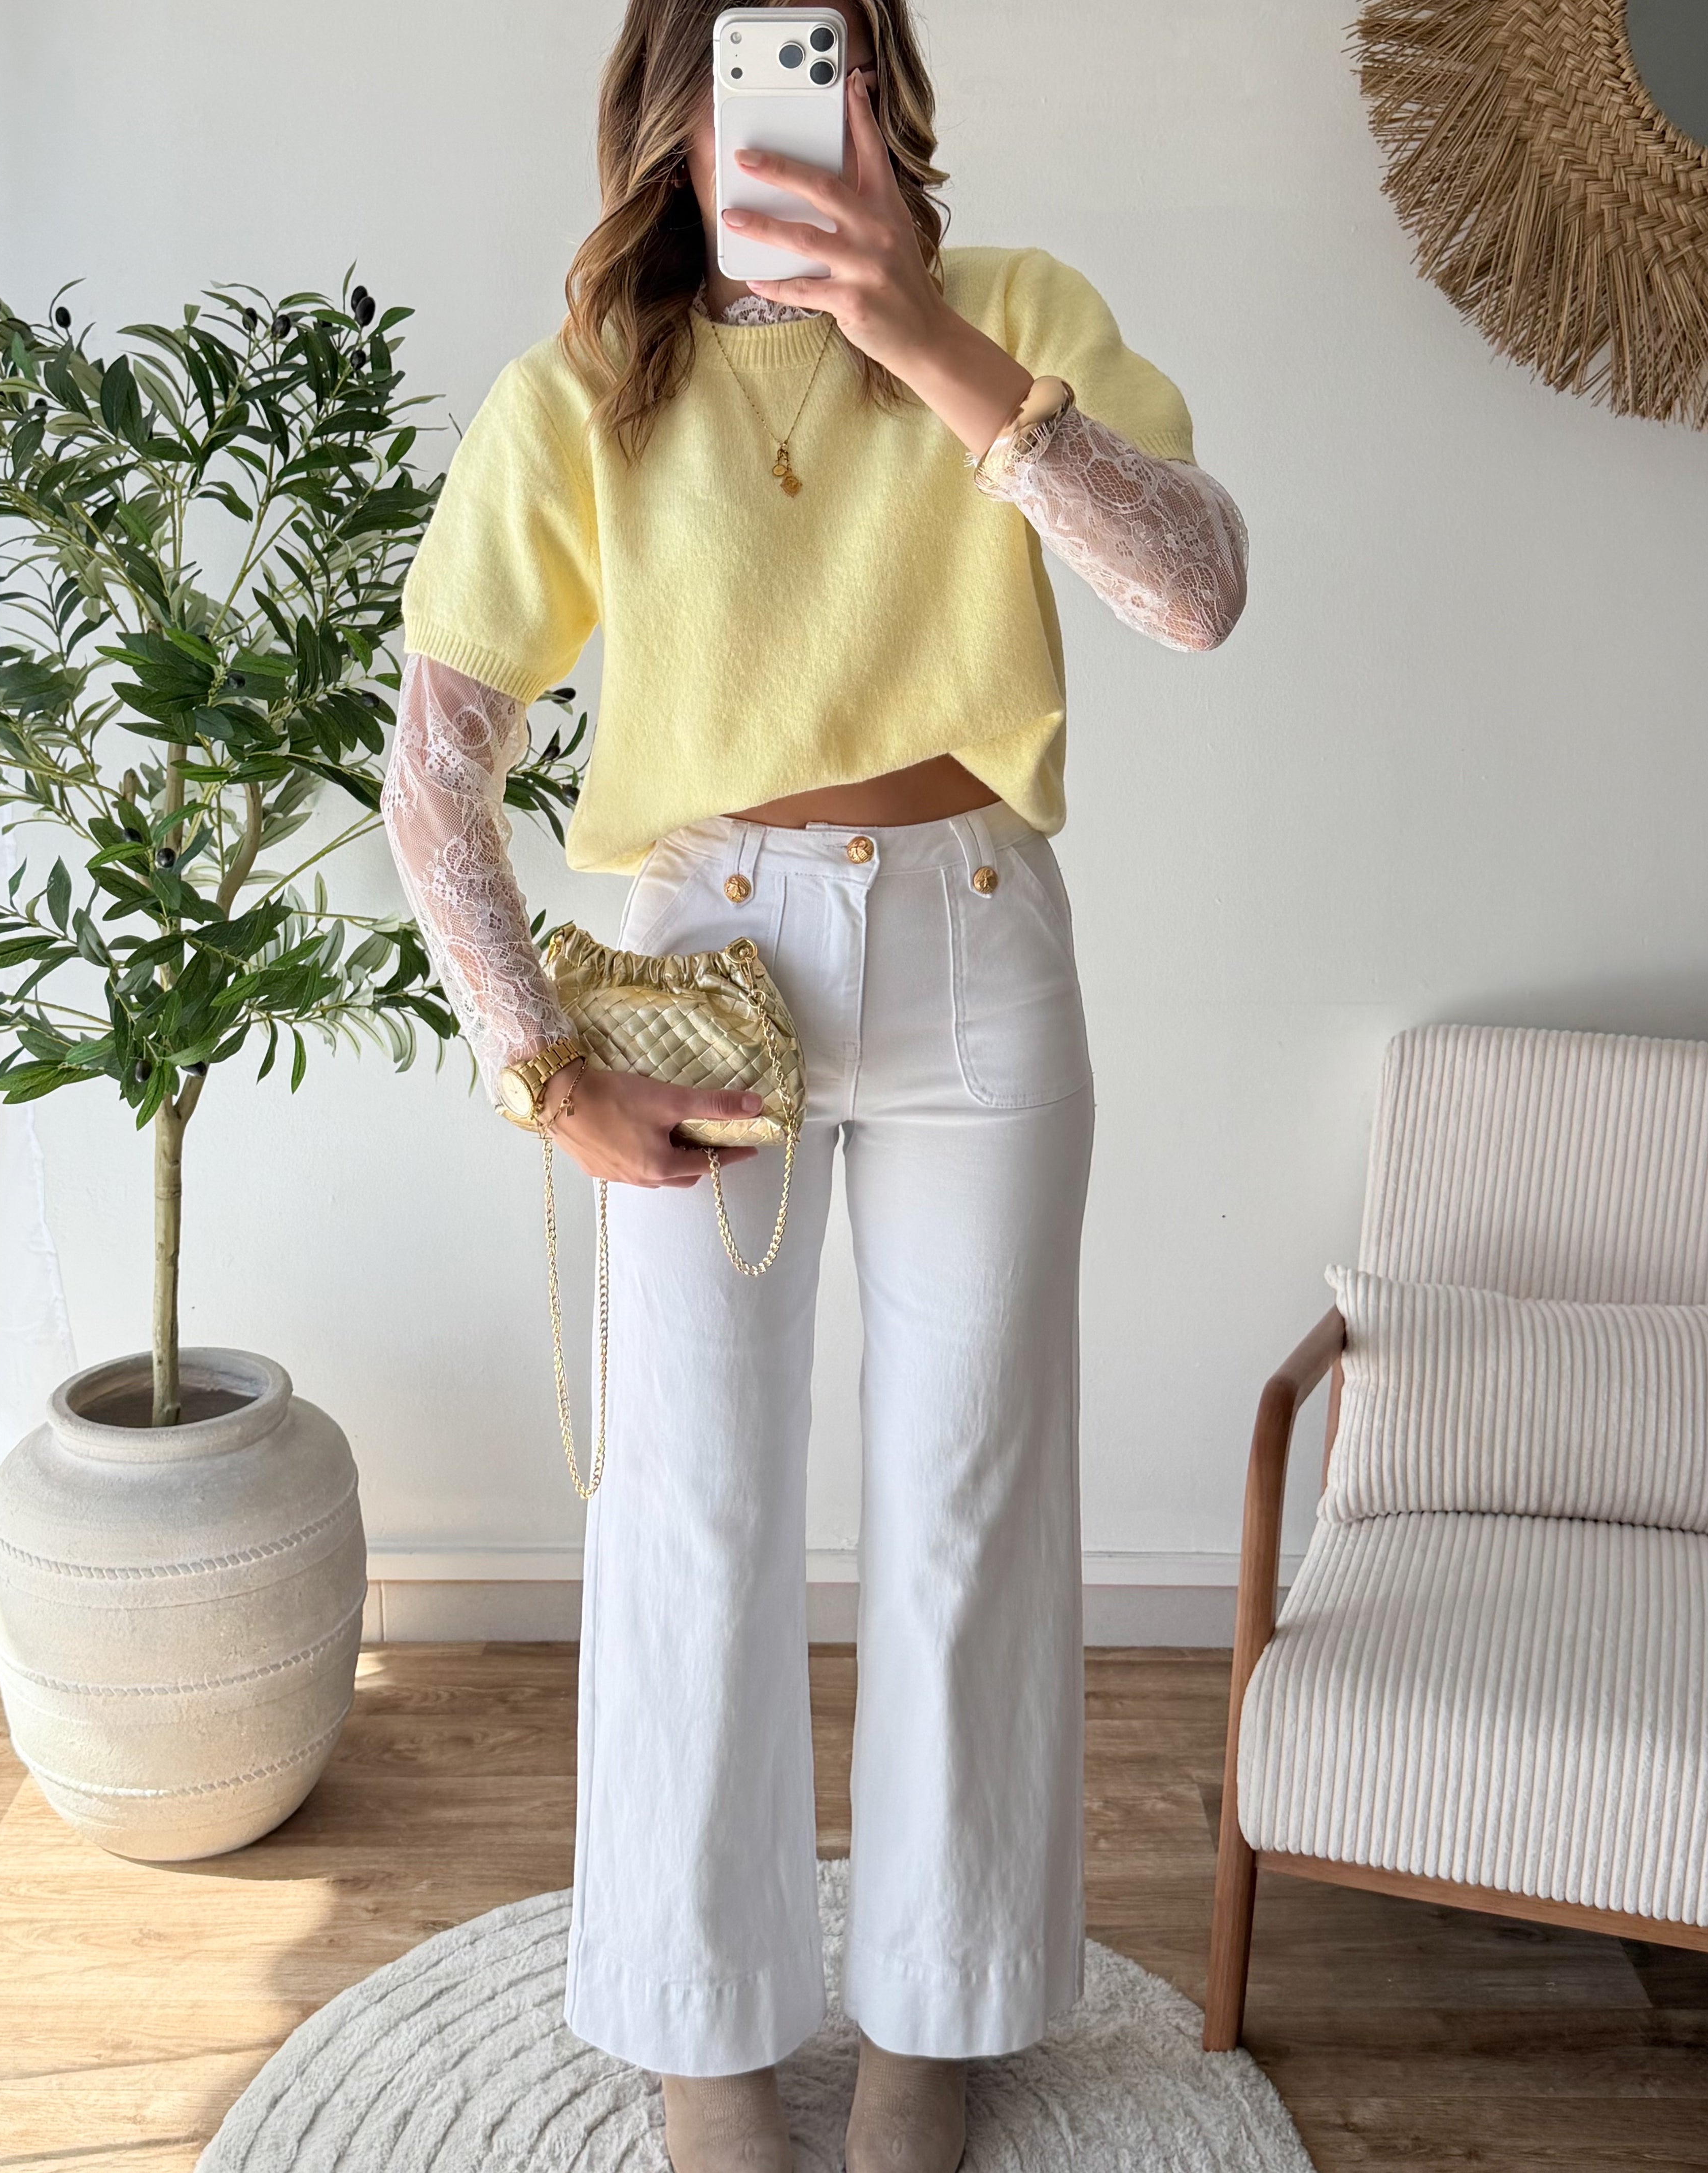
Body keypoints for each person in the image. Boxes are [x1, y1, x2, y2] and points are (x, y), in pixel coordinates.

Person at [381, 4, 1247, 2165]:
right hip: (704, 960)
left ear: (886, 97)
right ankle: (703, 2038)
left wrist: (920, 333)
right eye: (746, 70)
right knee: (692, 1508)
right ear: (671, 119)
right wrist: (538, 1069)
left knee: (967, 1501)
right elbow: (436, 773)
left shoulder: (1017, 311)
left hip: (977, 941)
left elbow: (1195, 591)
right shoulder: (584, 388)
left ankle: (938, 2026)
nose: (792, 113)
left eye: (832, 59)